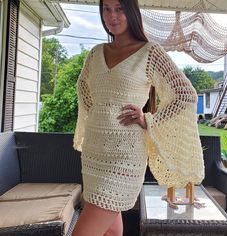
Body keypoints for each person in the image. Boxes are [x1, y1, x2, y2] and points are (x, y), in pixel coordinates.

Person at [72, 0, 205, 235]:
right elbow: (83, 87)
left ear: (131, 11)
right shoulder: (96, 53)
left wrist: (147, 120)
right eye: (106, 9)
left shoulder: (149, 51)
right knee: (111, 231)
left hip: (124, 155)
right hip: (94, 154)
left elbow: (185, 94)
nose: (112, 15)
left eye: (119, 8)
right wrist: (99, 115)